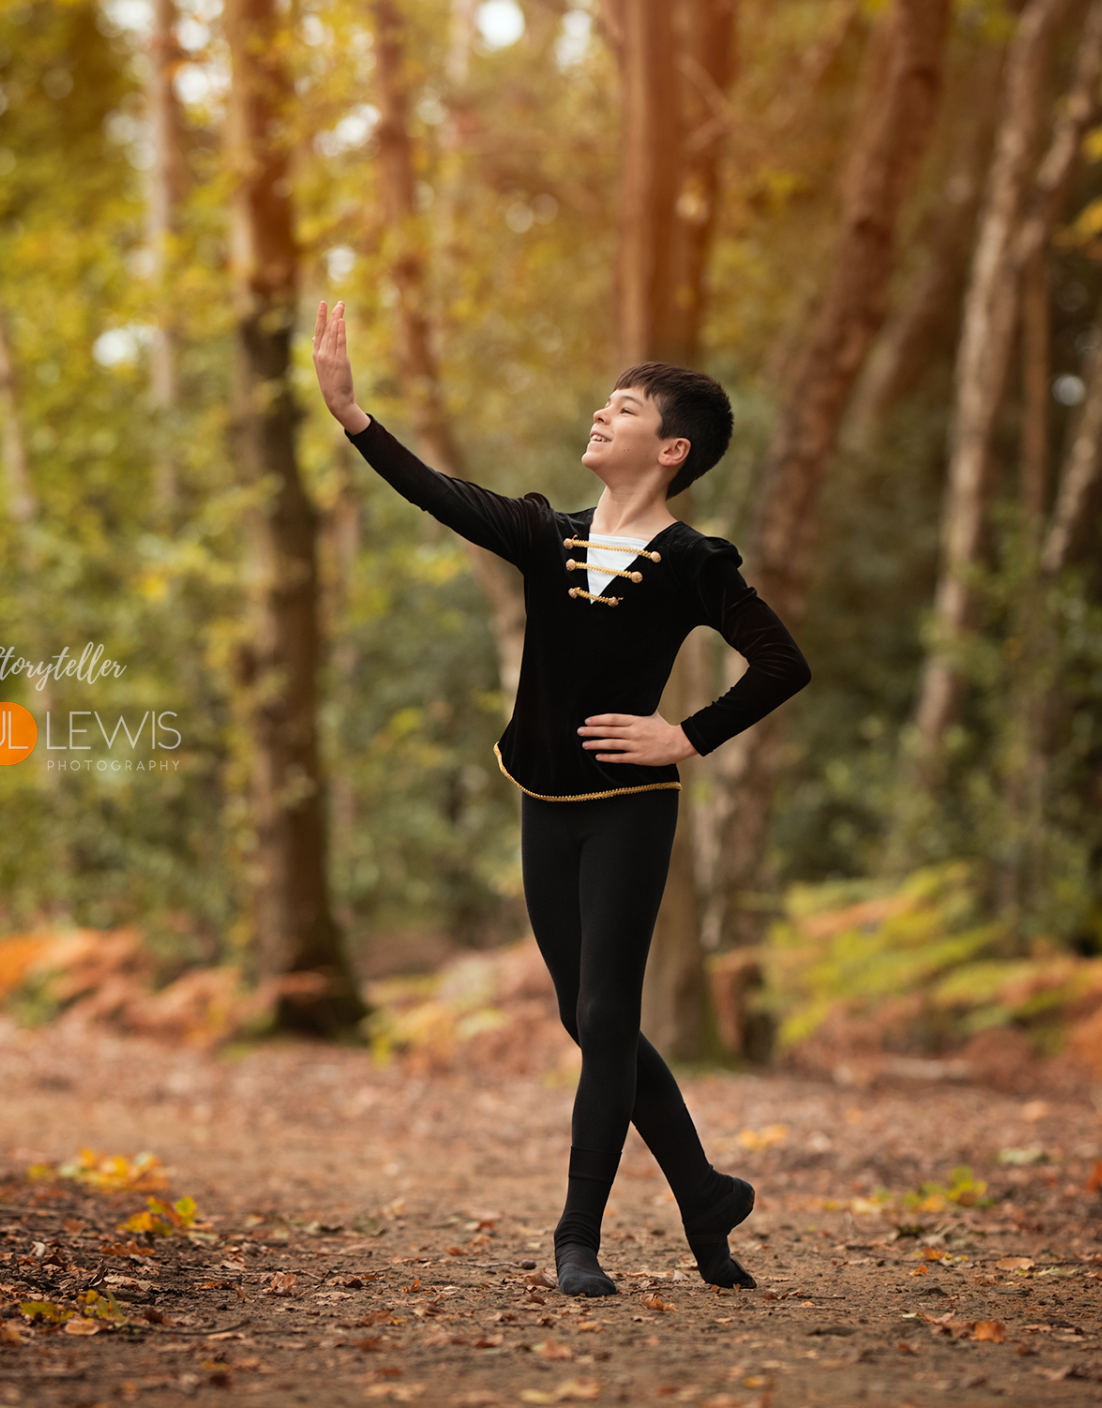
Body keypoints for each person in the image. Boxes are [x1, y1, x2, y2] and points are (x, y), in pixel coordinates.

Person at [310, 301, 810, 1298]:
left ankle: (576, 1236)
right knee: (590, 1020)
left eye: (622, 409)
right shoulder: (548, 534)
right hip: (543, 799)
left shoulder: (694, 563)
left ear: (670, 450)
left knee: (607, 1009)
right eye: (603, 403)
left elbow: (782, 663)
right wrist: (354, 416)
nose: (599, 414)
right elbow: (441, 495)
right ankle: (706, 1194)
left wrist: (685, 734)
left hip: (632, 808)